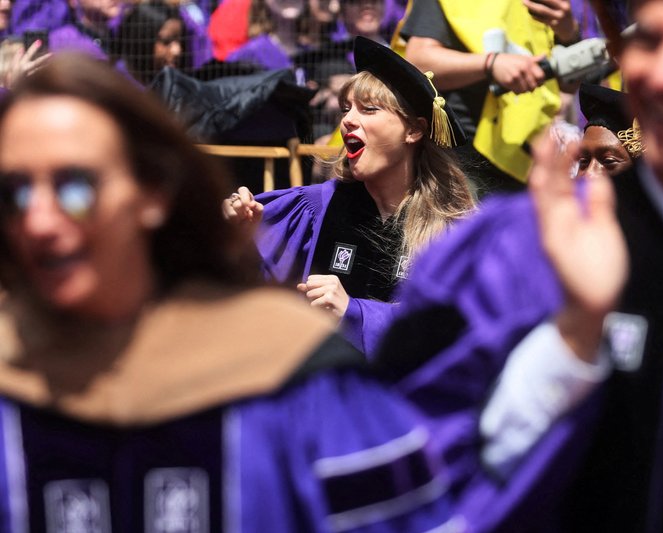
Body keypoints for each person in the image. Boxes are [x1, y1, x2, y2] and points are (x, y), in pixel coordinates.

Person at [373, 0, 663, 531]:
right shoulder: (515, 247)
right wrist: (571, 338)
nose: (662, 76)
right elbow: (412, 480)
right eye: (647, 41)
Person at [0, 52, 459, 531]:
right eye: (14, 193)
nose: (40, 221)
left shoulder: (294, 383)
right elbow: (258, 278)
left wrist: (358, 312)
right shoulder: (12, 388)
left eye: (76, 188)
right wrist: (249, 240)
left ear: (153, 194)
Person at [224, 36, 474, 357]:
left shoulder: (453, 229)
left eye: (369, 109)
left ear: (414, 131)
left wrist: (354, 312)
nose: (347, 120)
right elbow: (260, 302)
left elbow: (452, 333)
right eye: (346, 108)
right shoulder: (314, 209)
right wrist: (241, 239)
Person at [399, 0, 580, 197]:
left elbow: (569, 86)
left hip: (530, 151)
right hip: (466, 155)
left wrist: (568, 32)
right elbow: (418, 61)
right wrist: (491, 63)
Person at [113, 0, 185, 86]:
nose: (177, 50)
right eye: (166, 41)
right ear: (142, 38)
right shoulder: (120, 82)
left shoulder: (162, 82)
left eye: (179, 41)